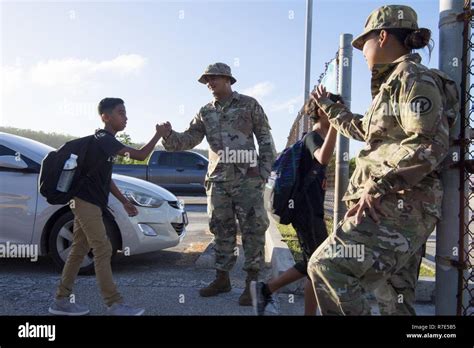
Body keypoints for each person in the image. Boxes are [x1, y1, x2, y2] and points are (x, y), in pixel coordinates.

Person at [308, 5, 453, 315]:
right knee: (394, 298)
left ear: (383, 36)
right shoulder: (392, 84)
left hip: (399, 202)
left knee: (327, 267)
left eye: (365, 42)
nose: (361, 51)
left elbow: (430, 142)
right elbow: (365, 130)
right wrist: (331, 107)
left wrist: (379, 185)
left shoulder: (413, 77)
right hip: (396, 202)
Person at [159, 63, 276, 306]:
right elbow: (189, 139)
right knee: (221, 230)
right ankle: (222, 279)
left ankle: (252, 285)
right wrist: (169, 136)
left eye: (214, 79)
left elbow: (265, 139)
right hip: (218, 181)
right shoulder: (205, 111)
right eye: (207, 81)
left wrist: (263, 172)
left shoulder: (249, 104)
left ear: (228, 80)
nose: (210, 84)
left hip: (247, 180)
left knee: (253, 230)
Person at [49, 98, 170, 316]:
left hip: (88, 202)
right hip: (86, 203)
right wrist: (158, 135)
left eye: (125, 113)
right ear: (105, 117)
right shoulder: (104, 139)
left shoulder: (104, 143)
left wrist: (124, 202)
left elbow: (106, 179)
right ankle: (114, 303)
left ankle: (61, 300)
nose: (125, 117)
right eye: (120, 113)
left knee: (78, 250)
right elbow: (141, 156)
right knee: (103, 248)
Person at [251, 94, 338, 315]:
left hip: (312, 209)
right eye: (334, 108)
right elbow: (323, 158)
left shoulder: (319, 136)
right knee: (317, 266)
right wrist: (338, 125)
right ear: (321, 111)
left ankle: (265, 290)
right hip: (305, 211)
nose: (338, 112)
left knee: (314, 263)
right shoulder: (313, 137)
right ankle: (267, 291)